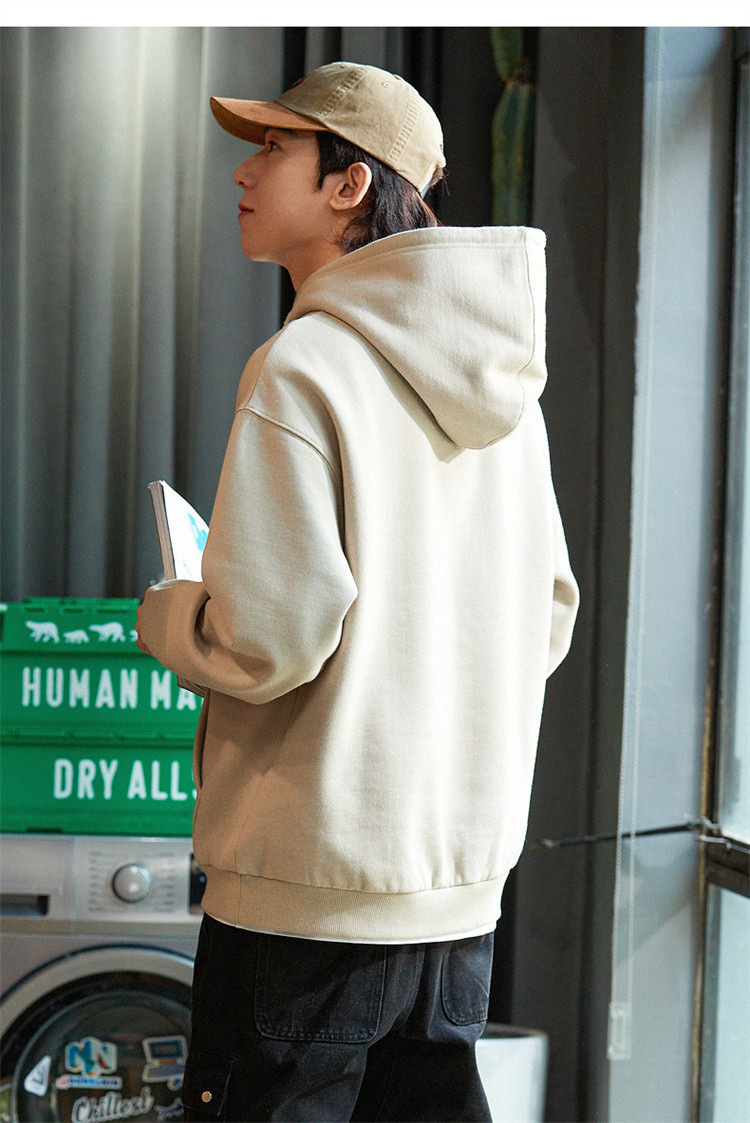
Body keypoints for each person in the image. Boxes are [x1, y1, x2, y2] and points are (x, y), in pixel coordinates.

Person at [136, 60, 579, 1123]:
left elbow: (268, 641)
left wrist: (170, 614)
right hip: (457, 901)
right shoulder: (508, 390)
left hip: (306, 900)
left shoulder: (302, 366)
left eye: (273, 149)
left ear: (349, 184)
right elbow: (549, 615)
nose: (243, 172)